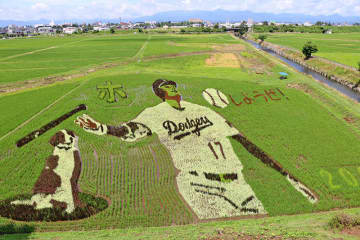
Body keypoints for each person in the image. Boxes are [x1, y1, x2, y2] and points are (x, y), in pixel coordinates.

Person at [75, 79, 266, 219]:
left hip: (237, 182)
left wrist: (286, 173)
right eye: (166, 86)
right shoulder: (154, 114)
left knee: (261, 224)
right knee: (216, 229)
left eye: (172, 85)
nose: (172, 87)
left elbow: (240, 137)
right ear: (160, 93)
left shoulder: (200, 109)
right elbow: (129, 130)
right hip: (199, 183)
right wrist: (102, 128)